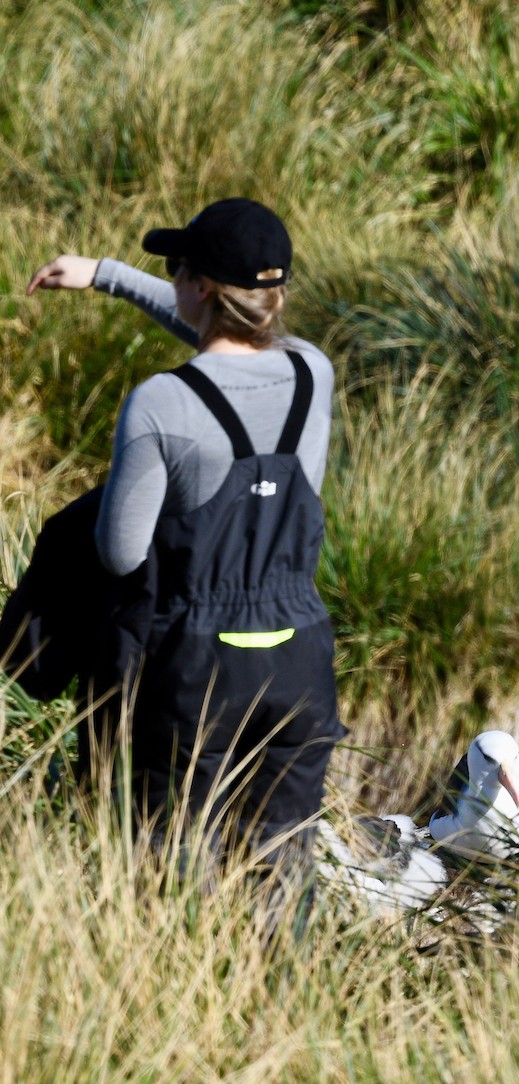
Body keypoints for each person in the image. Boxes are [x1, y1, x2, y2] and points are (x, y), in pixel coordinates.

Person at [24, 198, 346, 917]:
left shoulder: (160, 404)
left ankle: (177, 1002)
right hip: (298, 658)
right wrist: (108, 276)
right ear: (275, 294)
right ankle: (277, 1006)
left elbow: (119, 552)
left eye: (177, 270)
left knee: (169, 870)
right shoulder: (311, 375)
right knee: (281, 871)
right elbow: (234, 340)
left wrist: (108, 275)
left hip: (194, 666)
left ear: (199, 287)